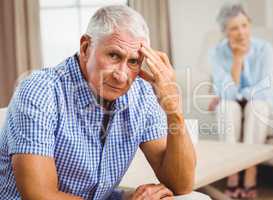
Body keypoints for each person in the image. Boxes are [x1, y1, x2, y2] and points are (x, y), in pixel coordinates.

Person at [0, 5, 199, 200]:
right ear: (85, 47)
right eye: (114, 55)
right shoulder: (40, 91)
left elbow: (181, 184)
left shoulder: (141, 93)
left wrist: (174, 110)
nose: (122, 76)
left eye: (133, 62)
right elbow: (40, 196)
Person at [208, 2, 273, 199]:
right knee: (225, 107)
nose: (241, 32)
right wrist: (237, 59)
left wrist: (236, 94)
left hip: (259, 100)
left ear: (249, 24)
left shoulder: (265, 49)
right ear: (225, 32)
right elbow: (228, 94)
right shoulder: (217, 52)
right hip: (233, 101)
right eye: (234, 28)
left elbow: (264, 89)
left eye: (244, 25)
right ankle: (232, 175)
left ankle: (250, 173)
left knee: (256, 106)